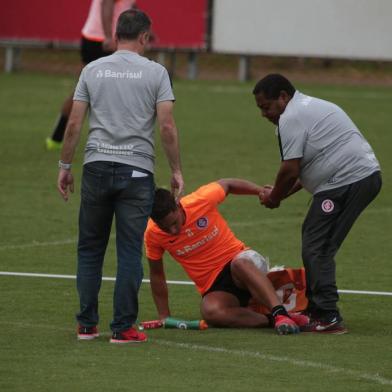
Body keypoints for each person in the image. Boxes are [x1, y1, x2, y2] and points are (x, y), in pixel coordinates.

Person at [57, 9, 184, 344]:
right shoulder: (156, 72)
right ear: (144, 37)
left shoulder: (92, 70)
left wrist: (65, 166)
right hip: (137, 172)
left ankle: (86, 325)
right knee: (129, 250)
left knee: (89, 249)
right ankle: (123, 328)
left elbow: (73, 124)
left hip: (97, 166)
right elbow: (167, 126)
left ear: (115, 37)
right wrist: (175, 171)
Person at [254, 73, 382, 334]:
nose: (264, 114)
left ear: (283, 97)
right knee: (317, 241)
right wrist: (281, 194)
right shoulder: (307, 107)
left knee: (317, 244)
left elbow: (290, 170)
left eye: (266, 106)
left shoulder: (291, 117)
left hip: (347, 180)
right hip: (356, 176)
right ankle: (317, 310)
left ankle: (327, 315)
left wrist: (274, 197)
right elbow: (307, 169)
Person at [144, 179, 310, 335]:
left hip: (242, 261)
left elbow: (228, 184)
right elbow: (157, 274)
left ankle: (279, 313)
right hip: (215, 286)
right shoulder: (152, 234)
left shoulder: (200, 200)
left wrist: (263, 192)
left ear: (178, 206)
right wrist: (164, 315)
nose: (173, 231)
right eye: (165, 227)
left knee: (239, 264)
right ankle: (276, 319)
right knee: (211, 311)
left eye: (174, 222)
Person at [46, 0, 136, 151]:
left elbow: (128, 6)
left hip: (102, 38)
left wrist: (141, 27)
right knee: (107, 90)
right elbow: (106, 4)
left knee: (87, 90)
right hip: (101, 40)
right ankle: (115, 141)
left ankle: (56, 136)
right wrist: (108, 36)